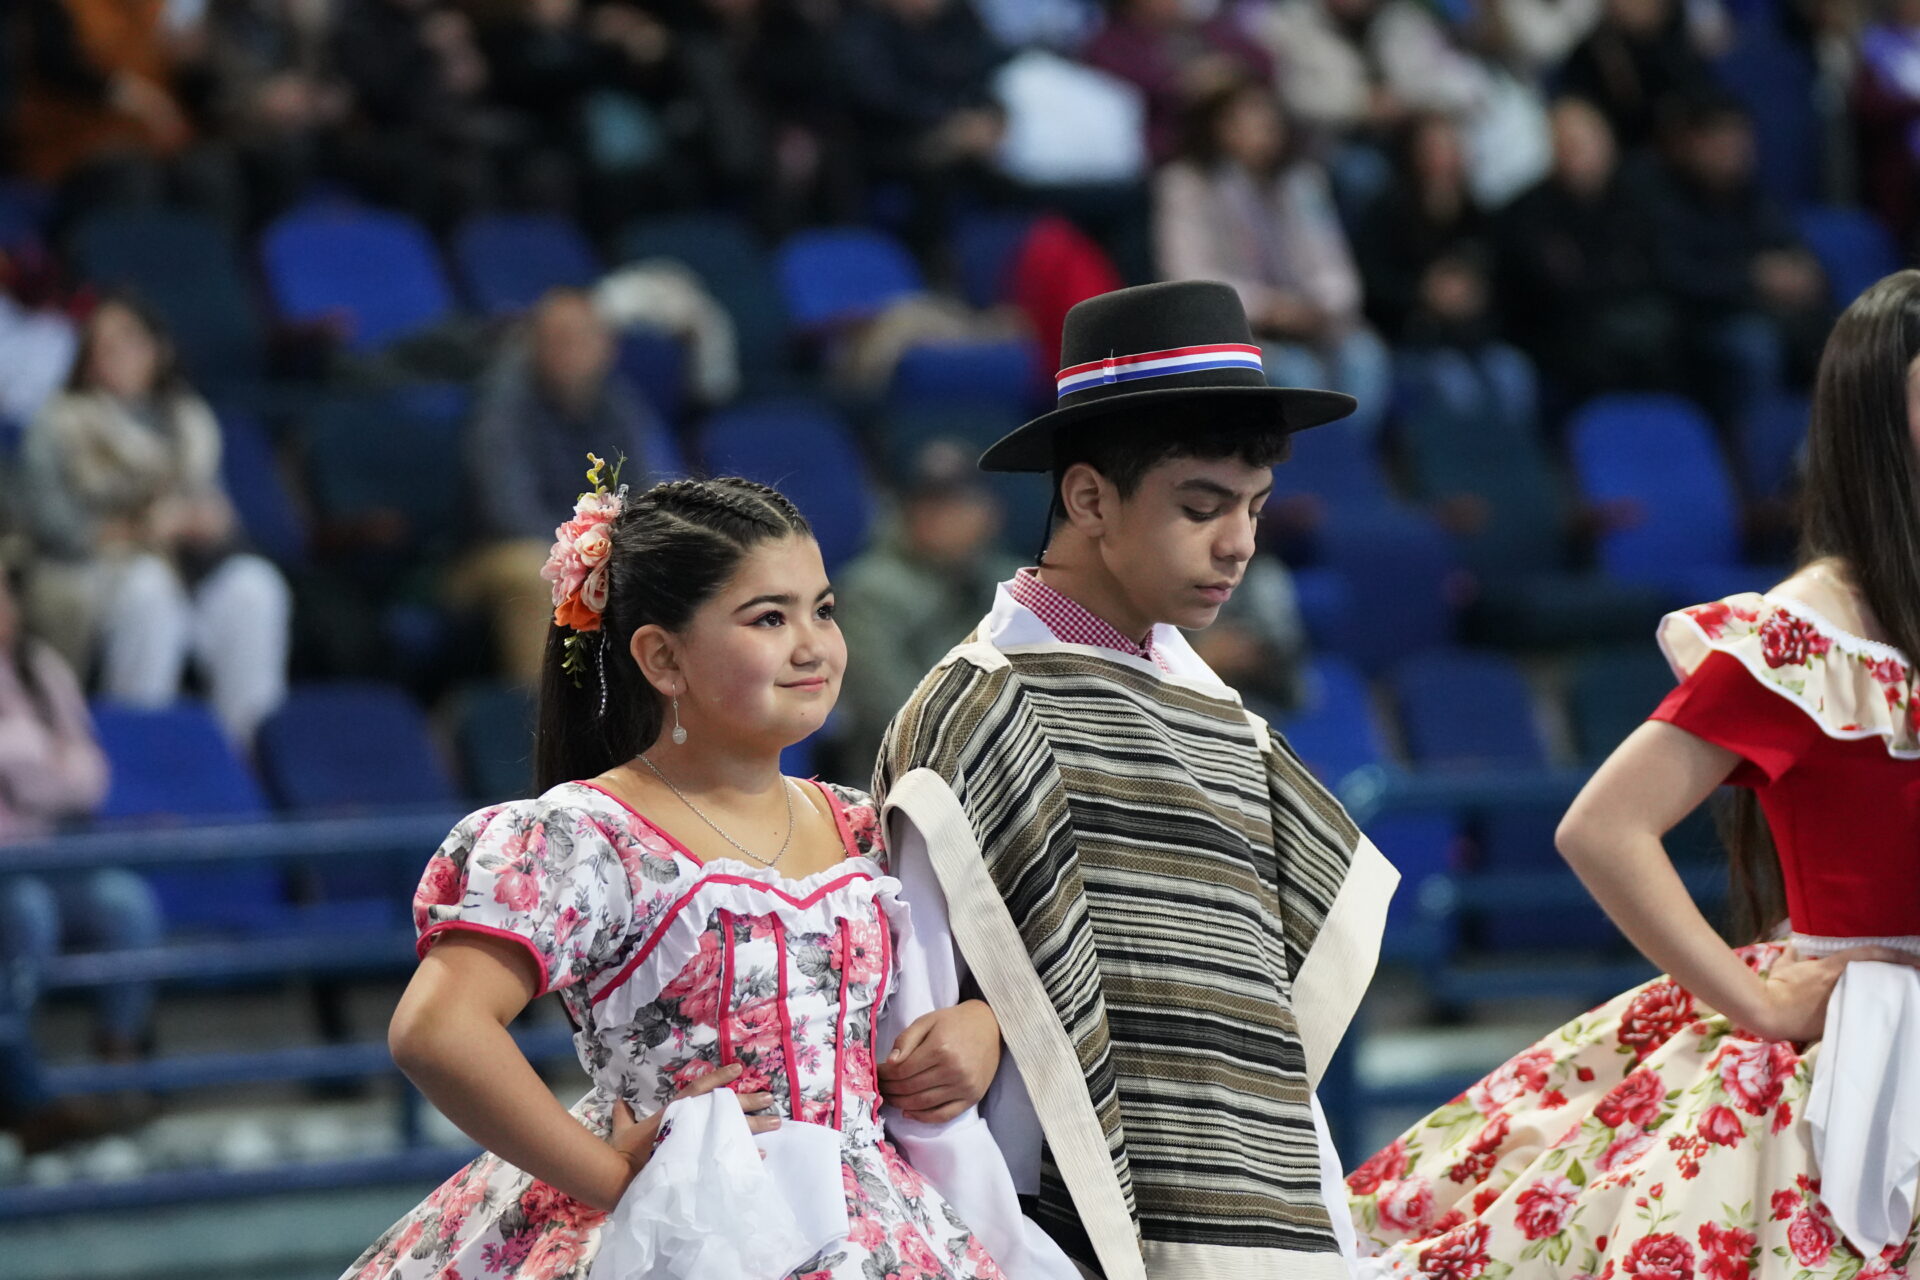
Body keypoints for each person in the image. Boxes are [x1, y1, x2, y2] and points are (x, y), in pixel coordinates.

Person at [345, 467, 1078, 1279]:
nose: (813, 645)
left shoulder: (866, 825)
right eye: (769, 617)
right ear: (663, 658)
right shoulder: (589, 835)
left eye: (823, 610)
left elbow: (987, 982)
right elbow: (437, 1031)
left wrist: (981, 1028)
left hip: (875, 1218)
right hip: (682, 1231)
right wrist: (613, 1178)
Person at [1347, 270, 1920, 1279]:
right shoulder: (1811, 631)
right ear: (1880, 420)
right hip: (1856, 1060)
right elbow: (1603, 826)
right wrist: (1762, 1006)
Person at [874, 280, 1400, 1277]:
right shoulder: (978, 712)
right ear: (1087, 498)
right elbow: (924, 1042)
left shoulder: (1223, 718)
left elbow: (1254, 1020)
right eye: (1201, 507)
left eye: (1255, 507)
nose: (1239, 543)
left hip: (1254, 1205)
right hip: (1052, 1236)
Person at [22, 294, 290, 744]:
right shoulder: (58, 423)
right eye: (103, 345)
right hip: (92, 569)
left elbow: (221, 517)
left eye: (129, 341)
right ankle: (139, 746)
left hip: (187, 563)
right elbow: (55, 528)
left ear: (157, 350)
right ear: (86, 358)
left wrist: (205, 522)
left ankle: (244, 750)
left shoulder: (189, 421)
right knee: (149, 591)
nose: (116, 355)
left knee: (254, 587)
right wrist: (143, 531)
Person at [0, 554, 163, 1152]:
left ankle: (116, 1075)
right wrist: (38, 760)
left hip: (53, 852)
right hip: (7, 871)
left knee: (126, 903)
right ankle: (23, 1093)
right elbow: (38, 763)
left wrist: (29, 767)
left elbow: (90, 776)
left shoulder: (39, 667)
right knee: (28, 913)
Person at [1155, 77, 1391, 439]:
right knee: (1297, 373)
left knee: (1364, 355)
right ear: (1217, 126)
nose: (1259, 132)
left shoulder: (1302, 182)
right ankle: (1296, 466)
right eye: (1243, 121)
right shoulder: (1186, 184)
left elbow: (1335, 267)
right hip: (1235, 329)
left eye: (1267, 121)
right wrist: (1268, 307)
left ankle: (1349, 459)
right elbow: (1188, 277)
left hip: (1310, 322)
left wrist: (1320, 306)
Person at [454, 288, 661, 685]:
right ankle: (548, 716)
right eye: (556, 339)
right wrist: (589, 557)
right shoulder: (501, 406)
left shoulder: (619, 405)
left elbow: (647, 495)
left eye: (581, 339)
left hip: (592, 551)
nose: (569, 352)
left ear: (608, 348)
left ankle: (661, 713)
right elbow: (509, 513)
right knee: (536, 572)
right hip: (489, 557)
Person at [834, 440, 1020, 776]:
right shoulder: (867, 590)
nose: (946, 519)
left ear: (991, 512)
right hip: (896, 777)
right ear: (906, 513)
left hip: (1006, 768)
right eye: (931, 505)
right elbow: (893, 710)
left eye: (961, 503)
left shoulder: (1013, 582)